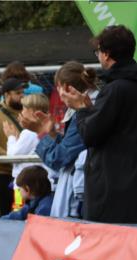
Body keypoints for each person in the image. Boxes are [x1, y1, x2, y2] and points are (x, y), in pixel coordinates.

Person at [61, 25, 137, 225]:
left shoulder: (115, 90)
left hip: (114, 192)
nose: (97, 56)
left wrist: (80, 108)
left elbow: (91, 134)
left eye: (98, 51)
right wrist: (90, 109)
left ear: (106, 54)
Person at [36, 62, 98, 219]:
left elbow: (60, 158)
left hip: (81, 197)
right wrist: (52, 134)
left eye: (58, 88)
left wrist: (41, 133)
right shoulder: (88, 106)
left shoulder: (84, 110)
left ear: (66, 87)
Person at [0, 77, 27, 213]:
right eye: (18, 93)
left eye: (22, 93)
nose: (22, 96)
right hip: (3, 173)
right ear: (7, 95)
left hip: (23, 172)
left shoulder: (25, 113)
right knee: (7, 209)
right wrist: (10, 158)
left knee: (21, 210)